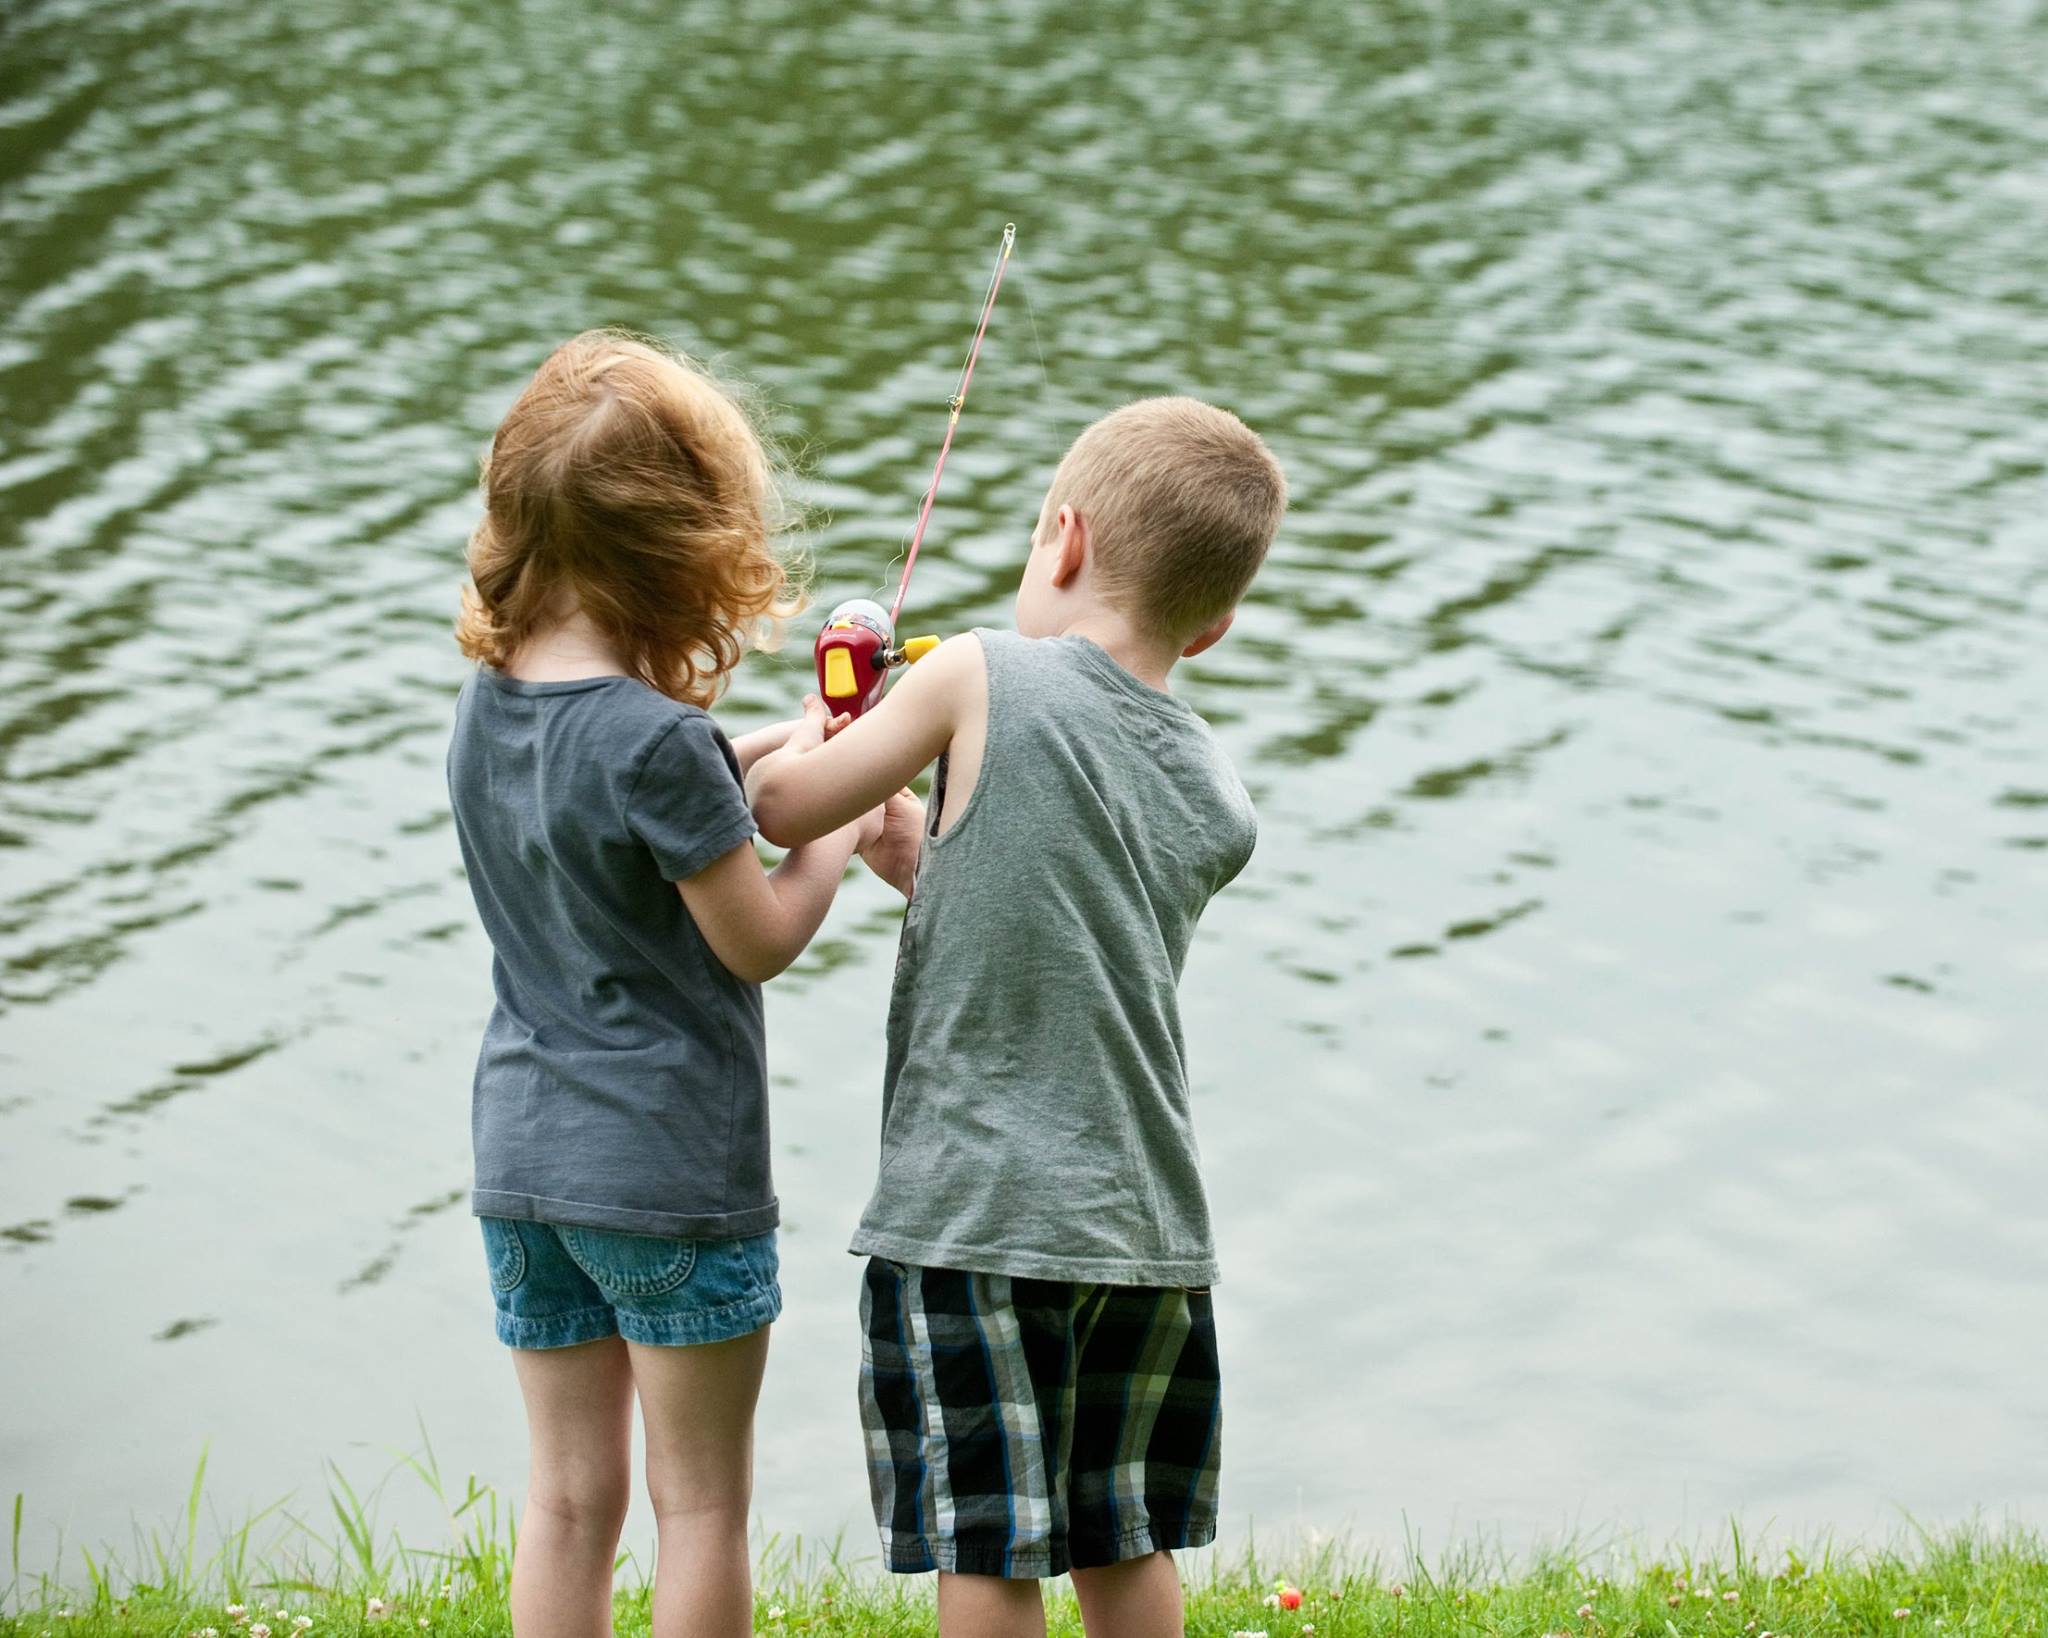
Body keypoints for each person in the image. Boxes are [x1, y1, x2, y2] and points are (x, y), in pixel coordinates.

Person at [747, 396, 1287, 1638]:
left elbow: (780, 805)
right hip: (1141, 1227)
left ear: (1063, 538)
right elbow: (1070, 930)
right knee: (1120, 1535)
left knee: (983, 1550)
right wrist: (922, 866)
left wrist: (846, 735)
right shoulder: (1216, 791)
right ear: (1212, 625)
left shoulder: (980, 670)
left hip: (974, 1213)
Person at [446, 330, 877, 1638]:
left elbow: (616, 813)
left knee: (570, 1499)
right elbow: (754, 936)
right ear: (686, 549)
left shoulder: (486, 703)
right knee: (700, 1508)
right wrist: (837, 829)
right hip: (669, 1175)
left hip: (523, 1159)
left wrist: (757, 759)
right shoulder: (662, 741)